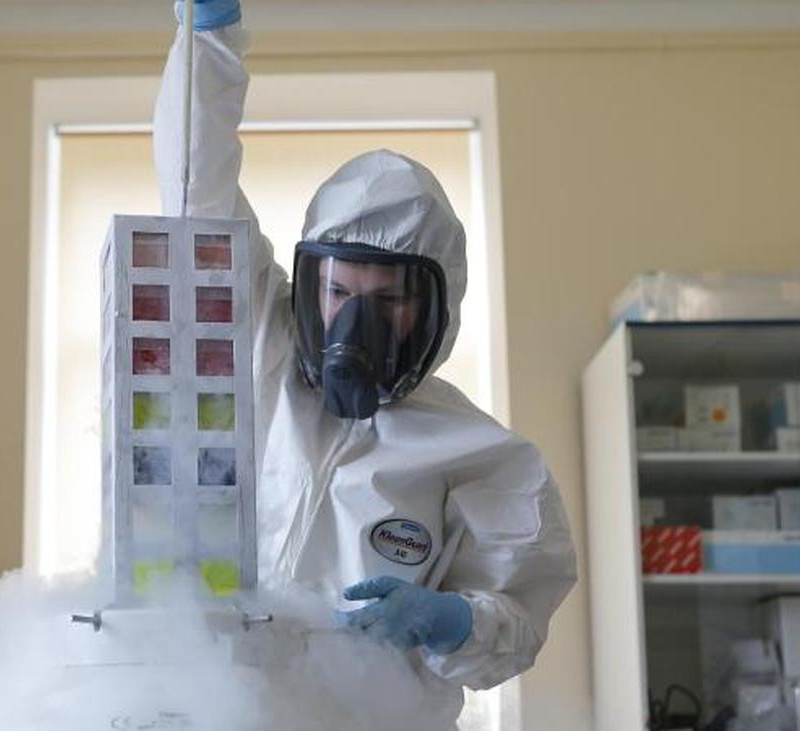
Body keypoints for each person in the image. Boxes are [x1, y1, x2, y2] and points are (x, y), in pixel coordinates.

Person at [153, 0, 578, 722]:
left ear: (434, 309)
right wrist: (209, 38)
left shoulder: (482, 454)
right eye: (340, 292)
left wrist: (452, 620)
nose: (355, 323)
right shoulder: (261, 340)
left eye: (387, 301)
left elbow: (515, 626)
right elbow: (196, 189)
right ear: (309, 284)